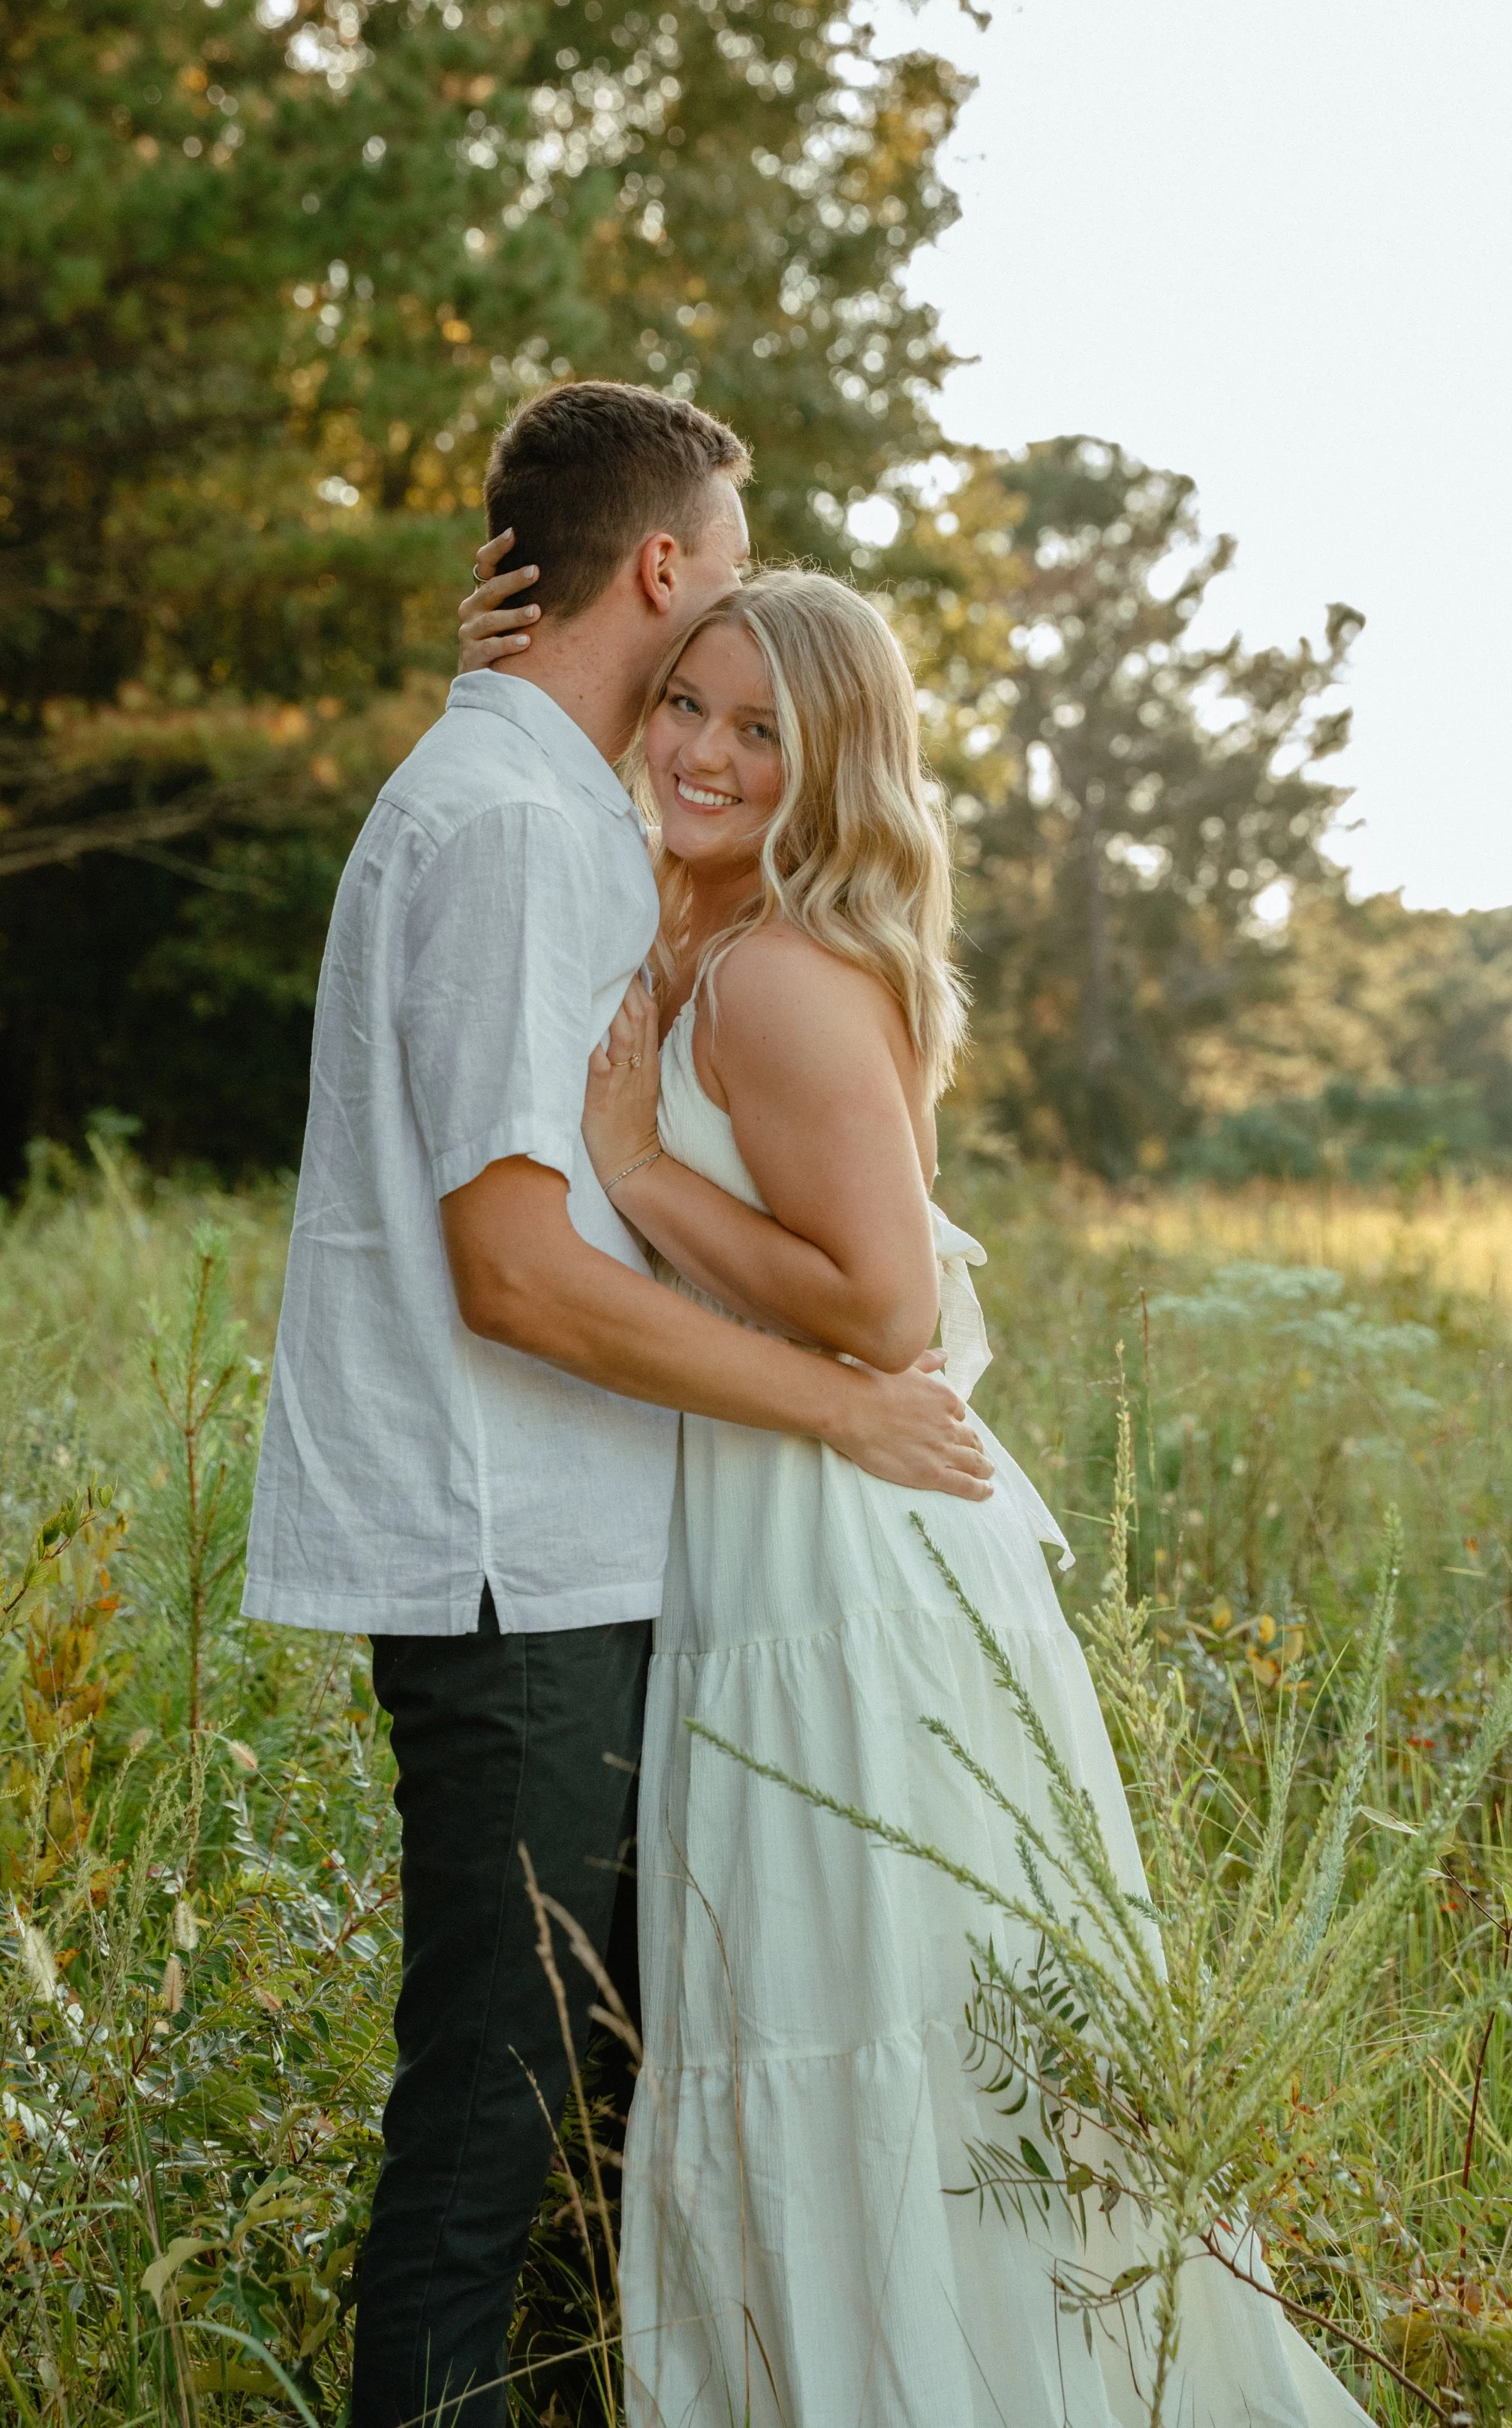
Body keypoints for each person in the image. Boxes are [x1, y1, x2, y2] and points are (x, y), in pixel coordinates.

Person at [456, 561, 1372, 2426]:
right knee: (814, 2002)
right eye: (686, 704)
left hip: (848, 1549)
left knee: (884, 2009)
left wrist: (640, 1172)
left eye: (760, 730)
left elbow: (883, 1308)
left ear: (834, 764)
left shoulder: (779, 974)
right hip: (775, 1527)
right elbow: (531, 812)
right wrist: (503, 677)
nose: (704, 753)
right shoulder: (687, 924)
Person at [242, 381, 992, 2428]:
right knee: (488, 2140)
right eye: (725, 568)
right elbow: (511, 1268)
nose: (735, 617)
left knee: (620, 2111)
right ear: (660, 566)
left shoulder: (548, 805)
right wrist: (836, 1406)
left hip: (598, 1562)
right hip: (518, 1576)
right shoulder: (508, 828)